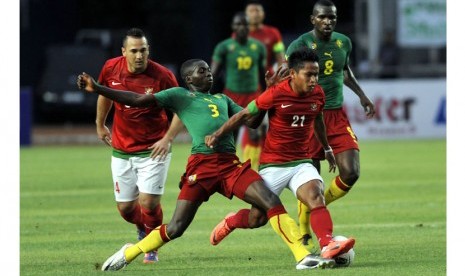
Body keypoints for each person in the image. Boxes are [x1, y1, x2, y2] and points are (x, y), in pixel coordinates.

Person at [77, 59, 336, 271]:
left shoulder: (222, 99)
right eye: (203, 71)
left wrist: (266, 94)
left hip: (230, 165)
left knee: (270, 200)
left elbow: (253, 122)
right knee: (177, 228)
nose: (209, 74)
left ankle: (302, 256)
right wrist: (98, 88)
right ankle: (130, 252)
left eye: (210, 70)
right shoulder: (180, 95)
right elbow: (137, 100)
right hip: (201, 167)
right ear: (189, 79)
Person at [205, 47, 355, 261]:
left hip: (301, 163)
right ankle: (231, 221)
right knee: (256, 219)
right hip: (273, 165)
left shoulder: (318, 94)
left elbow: (318, 120)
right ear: (293, 74)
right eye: (309, 74)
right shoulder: (276, 93)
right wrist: (218, 134)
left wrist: (327, 148)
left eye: (316, 74)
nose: (314, 79)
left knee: (315, 196)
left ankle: (327, 243)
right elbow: (245, 114)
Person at [284, 0, 376, 249]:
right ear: (313, 19)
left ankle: (316, 206)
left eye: (332, 18)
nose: (328, 22)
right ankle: (304, 229)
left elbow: (344, 71)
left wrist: (361, 94)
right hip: (309, 117)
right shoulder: (299, 45)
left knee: (351, 172)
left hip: (336, 115)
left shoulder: (343, 42)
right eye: (323, 17)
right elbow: (287, 76)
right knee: (310, 178)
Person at [95, 27, 184, 264]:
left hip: (153, 149)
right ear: (123, 51)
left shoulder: (163, 76)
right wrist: (100, 124)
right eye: (133, 50)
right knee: (126, 209)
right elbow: (105, 94)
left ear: (148, 51)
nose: (139, 55)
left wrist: (168, 138)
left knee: (148, 202)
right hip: (122, 149)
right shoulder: (110, 68)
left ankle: (151, 247)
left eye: (143, 50)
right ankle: (144, 230)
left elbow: (181, 109)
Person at [211, 12, 267, 171]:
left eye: (245, 24)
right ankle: (227, 168)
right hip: (232, 97)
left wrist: (265, 95)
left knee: (256, 133)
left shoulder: (258, 47)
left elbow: (262, 75)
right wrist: (206, 94)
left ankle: (253, 171)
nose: (242, 28)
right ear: (233, 27)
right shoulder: (224, 47)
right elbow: (213, 73)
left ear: (249, 27)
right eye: (238, 24)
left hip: (253, 96)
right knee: (230, 136)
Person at [245, 0, 286, 74]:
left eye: (257, 11)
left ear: (263, 14)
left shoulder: (274, 33)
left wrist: (280, 77)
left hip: (267, 79)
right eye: (251, 11)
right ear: (246, 15)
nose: (255, 14)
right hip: (245, 80)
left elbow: (281, 59)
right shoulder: (238, 35)